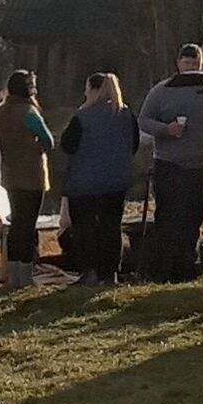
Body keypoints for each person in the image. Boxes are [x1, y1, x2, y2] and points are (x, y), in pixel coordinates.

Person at [137, 41, 203, 282]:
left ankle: (186, 269)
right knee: (168, 220)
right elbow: (144, 120)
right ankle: (163, 271)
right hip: (170, 166)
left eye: (195, 63)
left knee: (193, 220)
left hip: (202, 167)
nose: (190, 67)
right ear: (178, 63)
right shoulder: (162, 90)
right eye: (187, 62)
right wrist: (166, 129)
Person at [53, 70, 138, 282]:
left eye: (87, 89)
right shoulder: (126, 115)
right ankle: (111, 273)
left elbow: (67, 145)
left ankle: (89, 272)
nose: (85, 93)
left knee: (85, 229)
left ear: (93, 91)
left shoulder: (82, 117)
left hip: (85, 184)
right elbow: (133, 144)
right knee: (112, 227)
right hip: (116, 182)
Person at [0, 67, 55, 287]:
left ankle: (13, 275)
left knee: (16, 224)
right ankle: (26, 277)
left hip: (9, 175)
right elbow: (48, 140)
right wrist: (38, 148)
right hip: (32, 176)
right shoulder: (28, 112)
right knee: (28, 226)